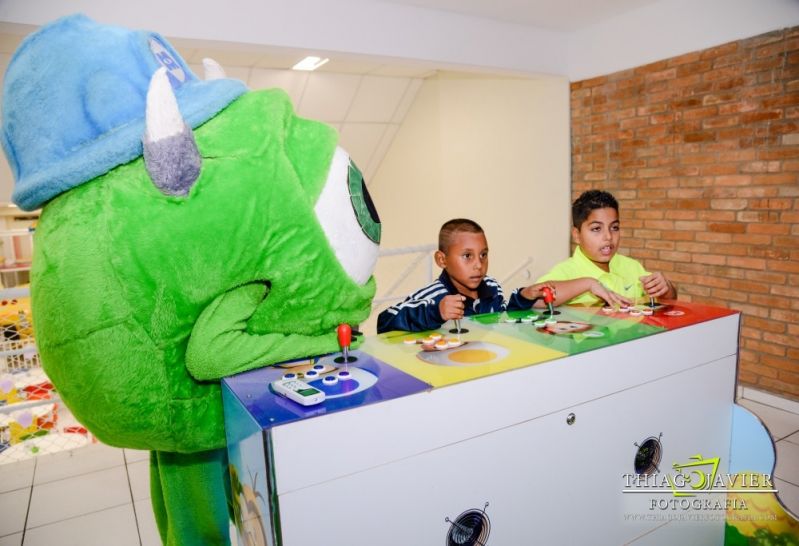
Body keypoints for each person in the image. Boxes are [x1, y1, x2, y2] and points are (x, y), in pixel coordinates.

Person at [377, 218, 554, 333]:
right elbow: (383, 322)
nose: (479, 265)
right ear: (442, 260)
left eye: (483, 255)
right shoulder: (433, 295)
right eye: (467, 256)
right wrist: (436, 312)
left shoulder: (492, 287)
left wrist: (523, 297)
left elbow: (503, 319)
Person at [536, 190, 677, 307]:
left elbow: (669, 300)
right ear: (577, 235)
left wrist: (666, 288)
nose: (608, 236)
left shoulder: (631, 266)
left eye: (614, 228)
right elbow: (534, 301)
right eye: (596, 228)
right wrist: (587, 284)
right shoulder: (566, 272)